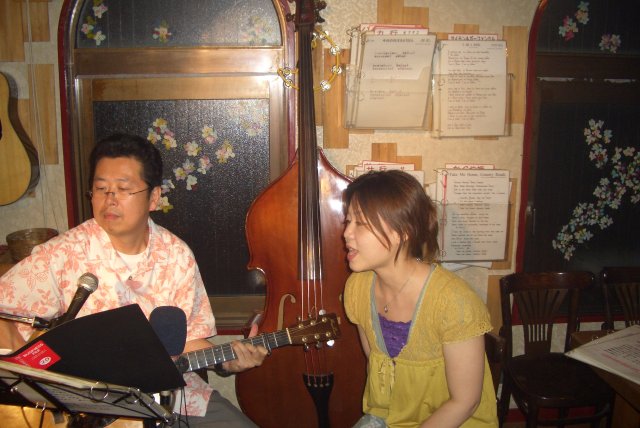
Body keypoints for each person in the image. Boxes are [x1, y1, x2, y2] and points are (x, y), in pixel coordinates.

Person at [0, 133, 267, 427]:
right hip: (87, 407)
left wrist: (228, 361)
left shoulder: (177, 255)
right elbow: (4, 312)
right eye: (101, 188)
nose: (109, 200)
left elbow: (189, 340)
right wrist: (39, 382)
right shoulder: (62, 254)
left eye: (123, 189)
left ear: (153, 197)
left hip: (174, 398)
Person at [342, 170, 498, 428]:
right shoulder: (357, 288)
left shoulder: (454, 302)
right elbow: (379, 367)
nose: (346, 233)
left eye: (360, 223)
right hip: (390, 417)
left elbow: (465, 402)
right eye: (348, 221)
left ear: (402, 231)